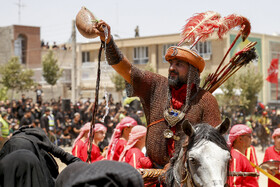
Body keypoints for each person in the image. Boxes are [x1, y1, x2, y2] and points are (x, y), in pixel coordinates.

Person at [94, 20, 222, 167]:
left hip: (189, 177)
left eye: (178, 64)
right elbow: (126, 69)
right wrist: (108, 41)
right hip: (153, 173)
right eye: (171, 63)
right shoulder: (156, 85)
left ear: (193, 71)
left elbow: (213, 149)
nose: (171, 68)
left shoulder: (206, 100)